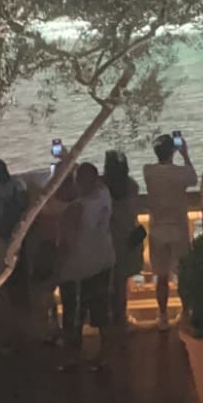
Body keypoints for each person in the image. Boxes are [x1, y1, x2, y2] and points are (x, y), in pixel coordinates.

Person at [56, 160, 115, 372]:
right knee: (102, 311)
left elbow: (67, 244)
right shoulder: (104, 195)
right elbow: (96, 180)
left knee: (73, 315)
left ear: (76, 182)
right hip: (104, 260)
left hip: (79, 269)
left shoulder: (75, 209)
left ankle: (72, 357)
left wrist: (56, 269)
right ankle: (105, 354)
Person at [145, 132, 197, 331]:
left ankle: (163, 316)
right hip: (178, 228)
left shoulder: (148, 171)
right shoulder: (181, 173)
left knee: (161, 276)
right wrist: (184, 154)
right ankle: (185, 312)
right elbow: (193, 178)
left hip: (157, 229)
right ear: (173, 150)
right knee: (183, 274)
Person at [103, 149, 144, 329]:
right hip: (127, 237)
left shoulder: (102, 189)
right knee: (121, 281)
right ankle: (121, 317)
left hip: (107, 238)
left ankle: (110, 317)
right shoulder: (132, 186)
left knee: (109, 281)